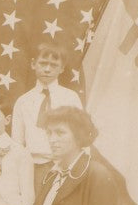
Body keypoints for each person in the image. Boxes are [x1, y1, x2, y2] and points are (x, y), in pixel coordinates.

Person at [10, 41, 83, 191]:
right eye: (43, 63)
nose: (47, 69)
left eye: (54, 65)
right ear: (33, 64)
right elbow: (17, 142)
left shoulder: (70, 98)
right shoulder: (23, 101)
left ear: (62, 68)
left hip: (64, 166)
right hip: (33, 168)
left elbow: (80, 135)